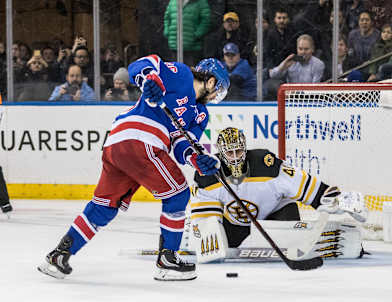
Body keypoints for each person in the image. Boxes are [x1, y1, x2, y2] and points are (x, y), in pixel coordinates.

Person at [38, 55, 230, 281]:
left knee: (104, 207)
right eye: (218, 89)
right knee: (178, 194)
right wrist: (149, 81)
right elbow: (140, 64)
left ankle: (59, 256)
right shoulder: (183, 75)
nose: (217, 96)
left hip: (119, 145)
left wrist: (198, 160)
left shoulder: (200, 115)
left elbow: (182, 145)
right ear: (209, 81)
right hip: (140, 138)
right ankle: (167, 261)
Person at [186, 127, 364, 258]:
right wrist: (205, 236)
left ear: (245, 148)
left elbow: (304, 185)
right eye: (229, 153)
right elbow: (206, 218)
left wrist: (331, 198)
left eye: (238, 151)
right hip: (234, 223)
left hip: (275, 215)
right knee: (218, 246)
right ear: (221, 153)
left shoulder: (266, 164)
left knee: (290, 241)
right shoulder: (208, 176)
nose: (234, 157)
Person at [266, 34, 325, 100]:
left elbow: (314, 89)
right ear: (297, 49)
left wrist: (296, 93)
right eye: (300, 49)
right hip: (290, 100)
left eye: (306, 49)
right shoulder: (291, 61)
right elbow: (272, 75)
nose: (303, 52)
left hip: (309, 100)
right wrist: (283, 65)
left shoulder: (318, 64)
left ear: (312, 49)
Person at [163, 0, 211, 66]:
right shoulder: (173, 1)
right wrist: (167, 30)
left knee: (192, 71)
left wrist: (197, 35)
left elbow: (206, 20)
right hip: (175, 44)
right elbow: (167, 17)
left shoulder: (200, 2)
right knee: (176, 70)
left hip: (192, 46)